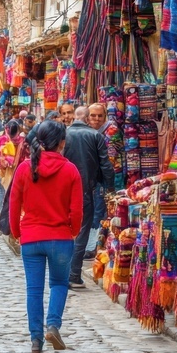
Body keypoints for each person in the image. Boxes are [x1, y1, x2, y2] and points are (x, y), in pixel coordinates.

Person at [9, 121, 83, 353]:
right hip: (60, 238)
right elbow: (77, 211)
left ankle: (36, 339)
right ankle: (52, 324)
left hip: (31, 238)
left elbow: (13, 204)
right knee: (59, 283)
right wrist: (73, 231)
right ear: (62, 143)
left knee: (34, 289)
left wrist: (17, 231)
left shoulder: (24, 168)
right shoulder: (70, 170)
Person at [63, 106, 115, 288]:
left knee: (64, 231)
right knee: (82, 231)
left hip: (62, 191)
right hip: (85, 191)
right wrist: (109, 188)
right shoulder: (95, 136)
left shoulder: (64, 135)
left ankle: (64, 272)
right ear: (86, 119)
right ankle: (74, 273)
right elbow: (106, 165)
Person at [86, 103, 113, 257]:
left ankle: (94, 247)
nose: (96, 119)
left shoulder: (110, 131)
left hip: (102, 180)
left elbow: (110, 161)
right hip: (92, 180)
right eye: (93, 116)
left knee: (98, 212)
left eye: (99, 116)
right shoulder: (90, 132)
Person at [0, 120, 23, 213]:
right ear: (18, 131)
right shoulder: (22, 141)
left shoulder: (0, 140)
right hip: (16, 172)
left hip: (0, 171)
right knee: (13, 197)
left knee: (0, 195)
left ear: (6, 129)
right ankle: (10, 218)